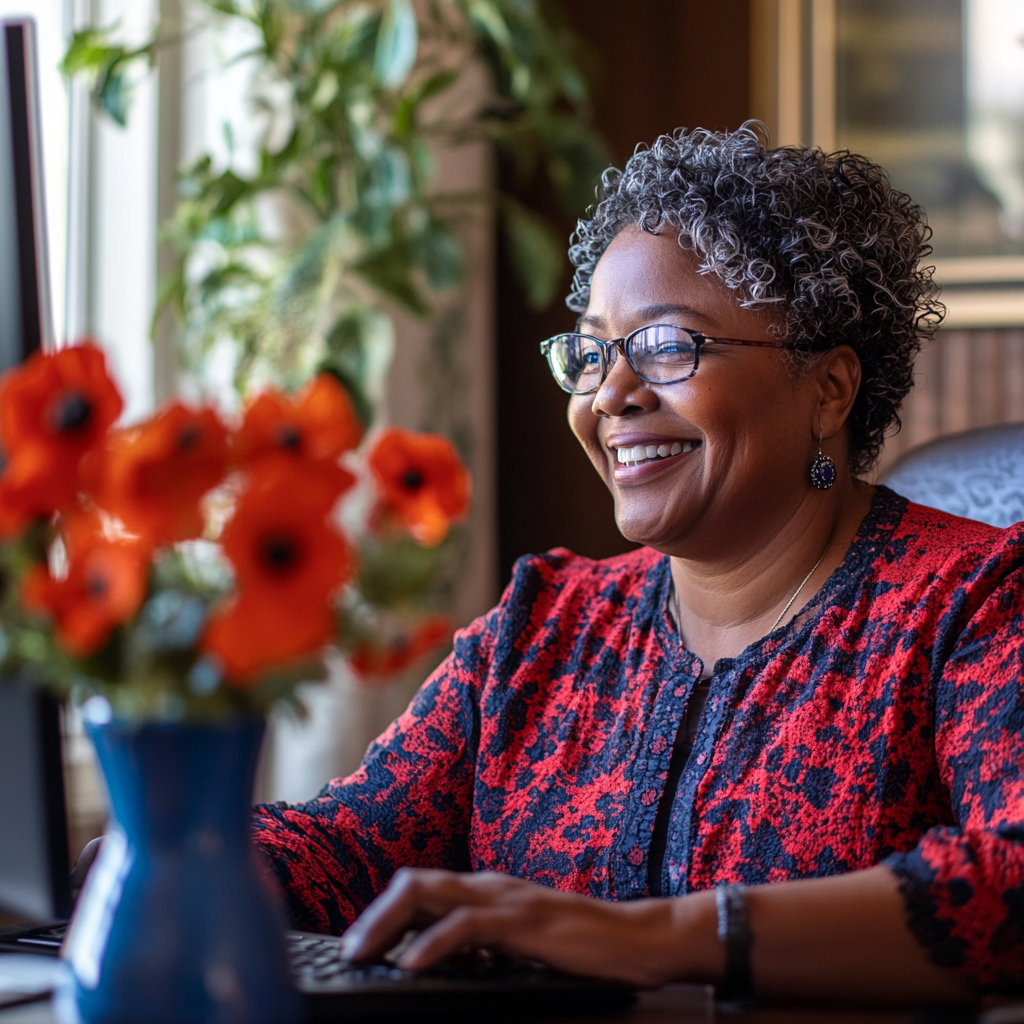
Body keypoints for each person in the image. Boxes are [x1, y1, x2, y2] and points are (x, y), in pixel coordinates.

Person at [253, 126, 1024, 1005]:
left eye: (667, 344)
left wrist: (648, 938)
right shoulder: (539, 627)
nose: (611, 395)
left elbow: (1011, 878)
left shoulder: (976, 602)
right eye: (591, 352)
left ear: (829, 391)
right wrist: (154, 854)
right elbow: (347, 850)